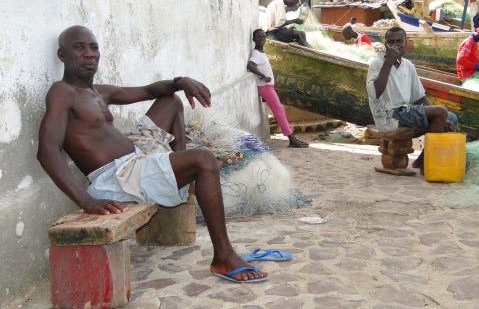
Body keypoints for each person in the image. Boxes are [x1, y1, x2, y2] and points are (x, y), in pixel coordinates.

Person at [37, 25, 268, 283]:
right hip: (118, 176)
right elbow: (46, 151)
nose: (89, 54)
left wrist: (180, 82)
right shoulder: (62, 92)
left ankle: (187, 177)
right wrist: (84, 200)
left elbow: (149, 91)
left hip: (137, 155)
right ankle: (223, 256)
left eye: (94, 47)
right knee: (203, 158)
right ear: (62, 55)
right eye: (79, 48)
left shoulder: (98, 91)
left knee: (171, 101)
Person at [366, 26, 458, 172]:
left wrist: (441, 117)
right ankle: (427, 165)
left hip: (404, 112)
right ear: (385, 44)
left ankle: (421, 161)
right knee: (441, 111)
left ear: (405, 43)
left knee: (451, 117)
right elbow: (375, 93)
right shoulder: (377, 64)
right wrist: (388, 62)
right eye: (391, 42)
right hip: (388, 116)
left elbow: (419, 97)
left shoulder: (408, 66)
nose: (395, 45)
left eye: (399, 41)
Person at [247, 29, 309, 148]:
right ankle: (292, 139)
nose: (261, 39)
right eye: (258, 37)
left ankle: (293, 138)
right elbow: (250, 65)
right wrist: (263, 76)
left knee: (280, 111)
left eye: (263, 37)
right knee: (279, 111)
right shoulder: (256, 54)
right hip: (265, 87)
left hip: (268, 87)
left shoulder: (261, 53)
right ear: (253, 39)